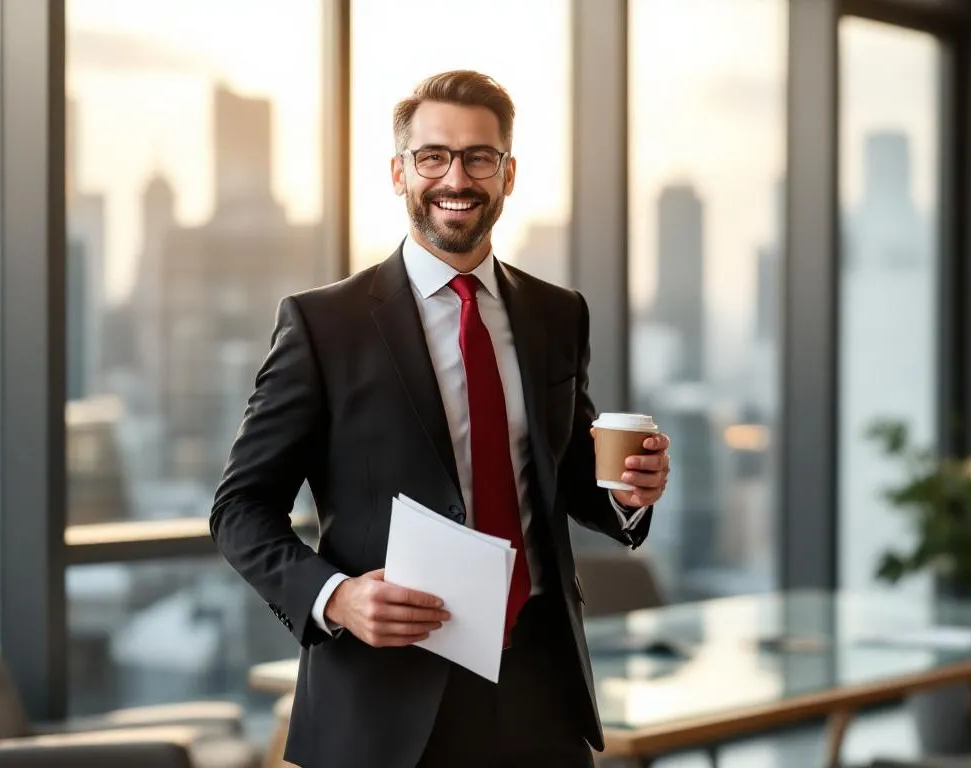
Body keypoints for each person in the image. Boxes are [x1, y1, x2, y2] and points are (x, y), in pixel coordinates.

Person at [210, 70, 671, 768]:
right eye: (433, 157)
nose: (456, 177)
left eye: (478, 157)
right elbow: (240, 508)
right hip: (384, 702)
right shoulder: (323, 324)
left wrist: (630, 495)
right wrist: (335, 599)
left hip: (540, 692)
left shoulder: (556, 313)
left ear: (508, 174)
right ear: (400, 172)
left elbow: (571, 477)